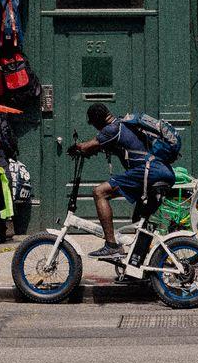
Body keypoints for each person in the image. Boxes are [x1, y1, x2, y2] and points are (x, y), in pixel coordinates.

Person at [69, 103, 174, 260]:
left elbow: (87, 146)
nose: (96, 129)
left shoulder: (111, 129)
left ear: (98, 120)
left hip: (149, 171)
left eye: (94, 124)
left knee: (99, 192)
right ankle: (140, 262)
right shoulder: (122, 124)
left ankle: (111, 246)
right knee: (139, 220)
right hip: (160, 171)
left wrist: (75, 148)